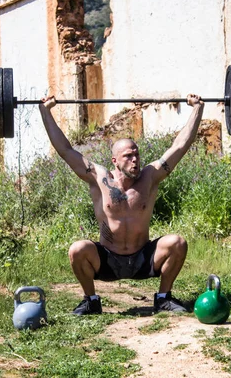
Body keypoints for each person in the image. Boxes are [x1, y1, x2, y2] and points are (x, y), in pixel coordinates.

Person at [39, 94, 204, 315]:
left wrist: (197, 109)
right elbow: (66, 151)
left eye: (137, 154)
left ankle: (164, 298)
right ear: (115, 161)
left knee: (177, 243)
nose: (135, 160)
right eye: (128, 156)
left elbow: (180, 146)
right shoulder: (99, 177)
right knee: (77, 249)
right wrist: (45, 111)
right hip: (107, 259)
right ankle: (91, 301)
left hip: (144, 257)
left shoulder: (150, 176)